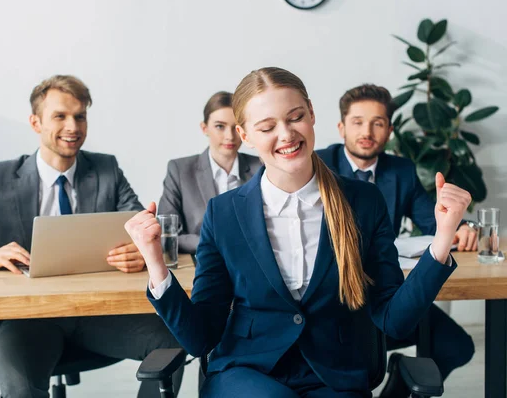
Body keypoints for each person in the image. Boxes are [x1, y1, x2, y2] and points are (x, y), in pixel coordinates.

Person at [124, 67, 471, 398]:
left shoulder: (364, 202)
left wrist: (442, 240)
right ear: (245, 135)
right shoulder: (225, 212)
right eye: (267, 126)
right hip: (247, 371)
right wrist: (156, 264)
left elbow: (394, 320)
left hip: (334, 374)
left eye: (295, 117)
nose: (287, 134)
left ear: (312, 114)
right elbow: (201, 338)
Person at [0, 75, 182, 398]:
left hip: (98, 312)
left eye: (80, 116)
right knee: (20, 387)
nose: (73, 126)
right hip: (27, 316)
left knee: (174, 341)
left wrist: (141, 249)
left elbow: (142, 227)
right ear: (35, 122)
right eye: (60, 116)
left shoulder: (107, 170)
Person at [316, 84, 475, 394]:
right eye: (358, 122)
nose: (367, 131)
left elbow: (432, 218)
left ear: (389, 130)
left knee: (456, 346)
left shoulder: (401, 170)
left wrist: (460, 224)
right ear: (341, 127)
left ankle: (399, 387)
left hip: (387, 296)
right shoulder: (317, 166)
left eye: (377, 123)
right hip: (334, 302)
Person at [158, 91, 261, 253]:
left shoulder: (261, 167)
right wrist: (214, 245)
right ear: (204, 128)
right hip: (200, 260)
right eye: (220, 126)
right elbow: (166, 232)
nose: (229, 136)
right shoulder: (180, 170)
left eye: (236, 128)